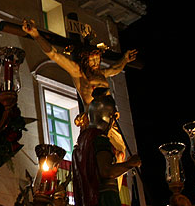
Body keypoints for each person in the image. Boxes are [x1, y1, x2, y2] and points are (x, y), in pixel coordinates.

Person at [22, 17, 136, 162]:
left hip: (110, 119)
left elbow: (115, 68)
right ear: (85, 59)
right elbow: (54, 54)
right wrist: (36, 35)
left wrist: (125, 59)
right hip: (92, 118)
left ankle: (114, 182)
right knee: (94, 154)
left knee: (120, 152)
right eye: (92, 60)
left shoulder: (102, 74)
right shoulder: (79, 73)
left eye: (98, 60)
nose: (96, 63)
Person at [71, 88, 141, 206]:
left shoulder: (82, 141)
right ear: (108, 116)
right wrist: (130, 164)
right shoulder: (100, 140)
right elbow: (106, 172)